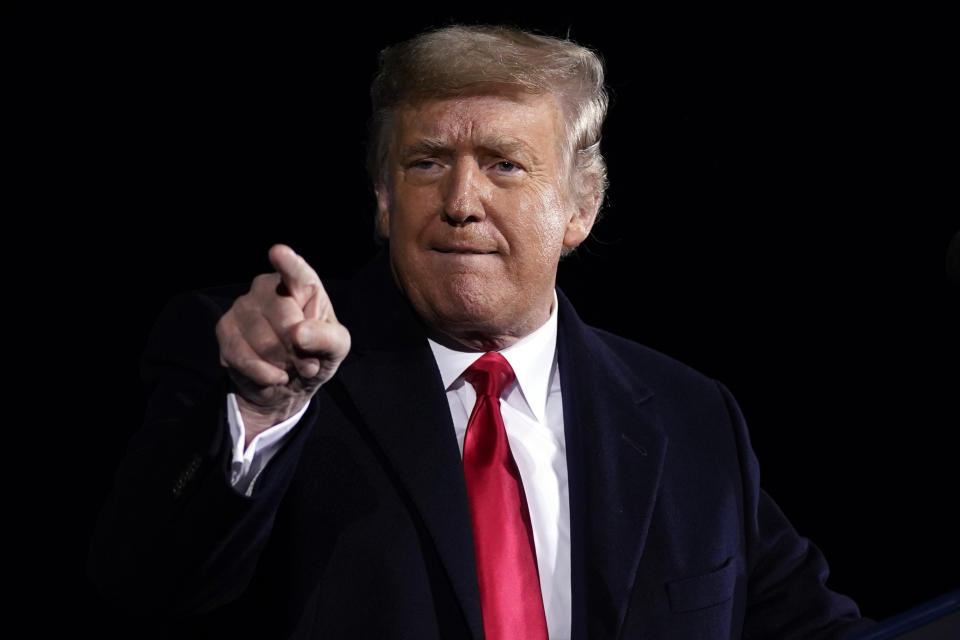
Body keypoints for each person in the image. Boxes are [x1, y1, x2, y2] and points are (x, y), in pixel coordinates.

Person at [90, 25, 875, 639]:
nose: (462, 200)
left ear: (581, 207)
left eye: (504, 164)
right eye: (428, 163)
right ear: (383, 199)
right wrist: (262, 414)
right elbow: (147, 591)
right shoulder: (262, 367)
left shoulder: (690, 417)